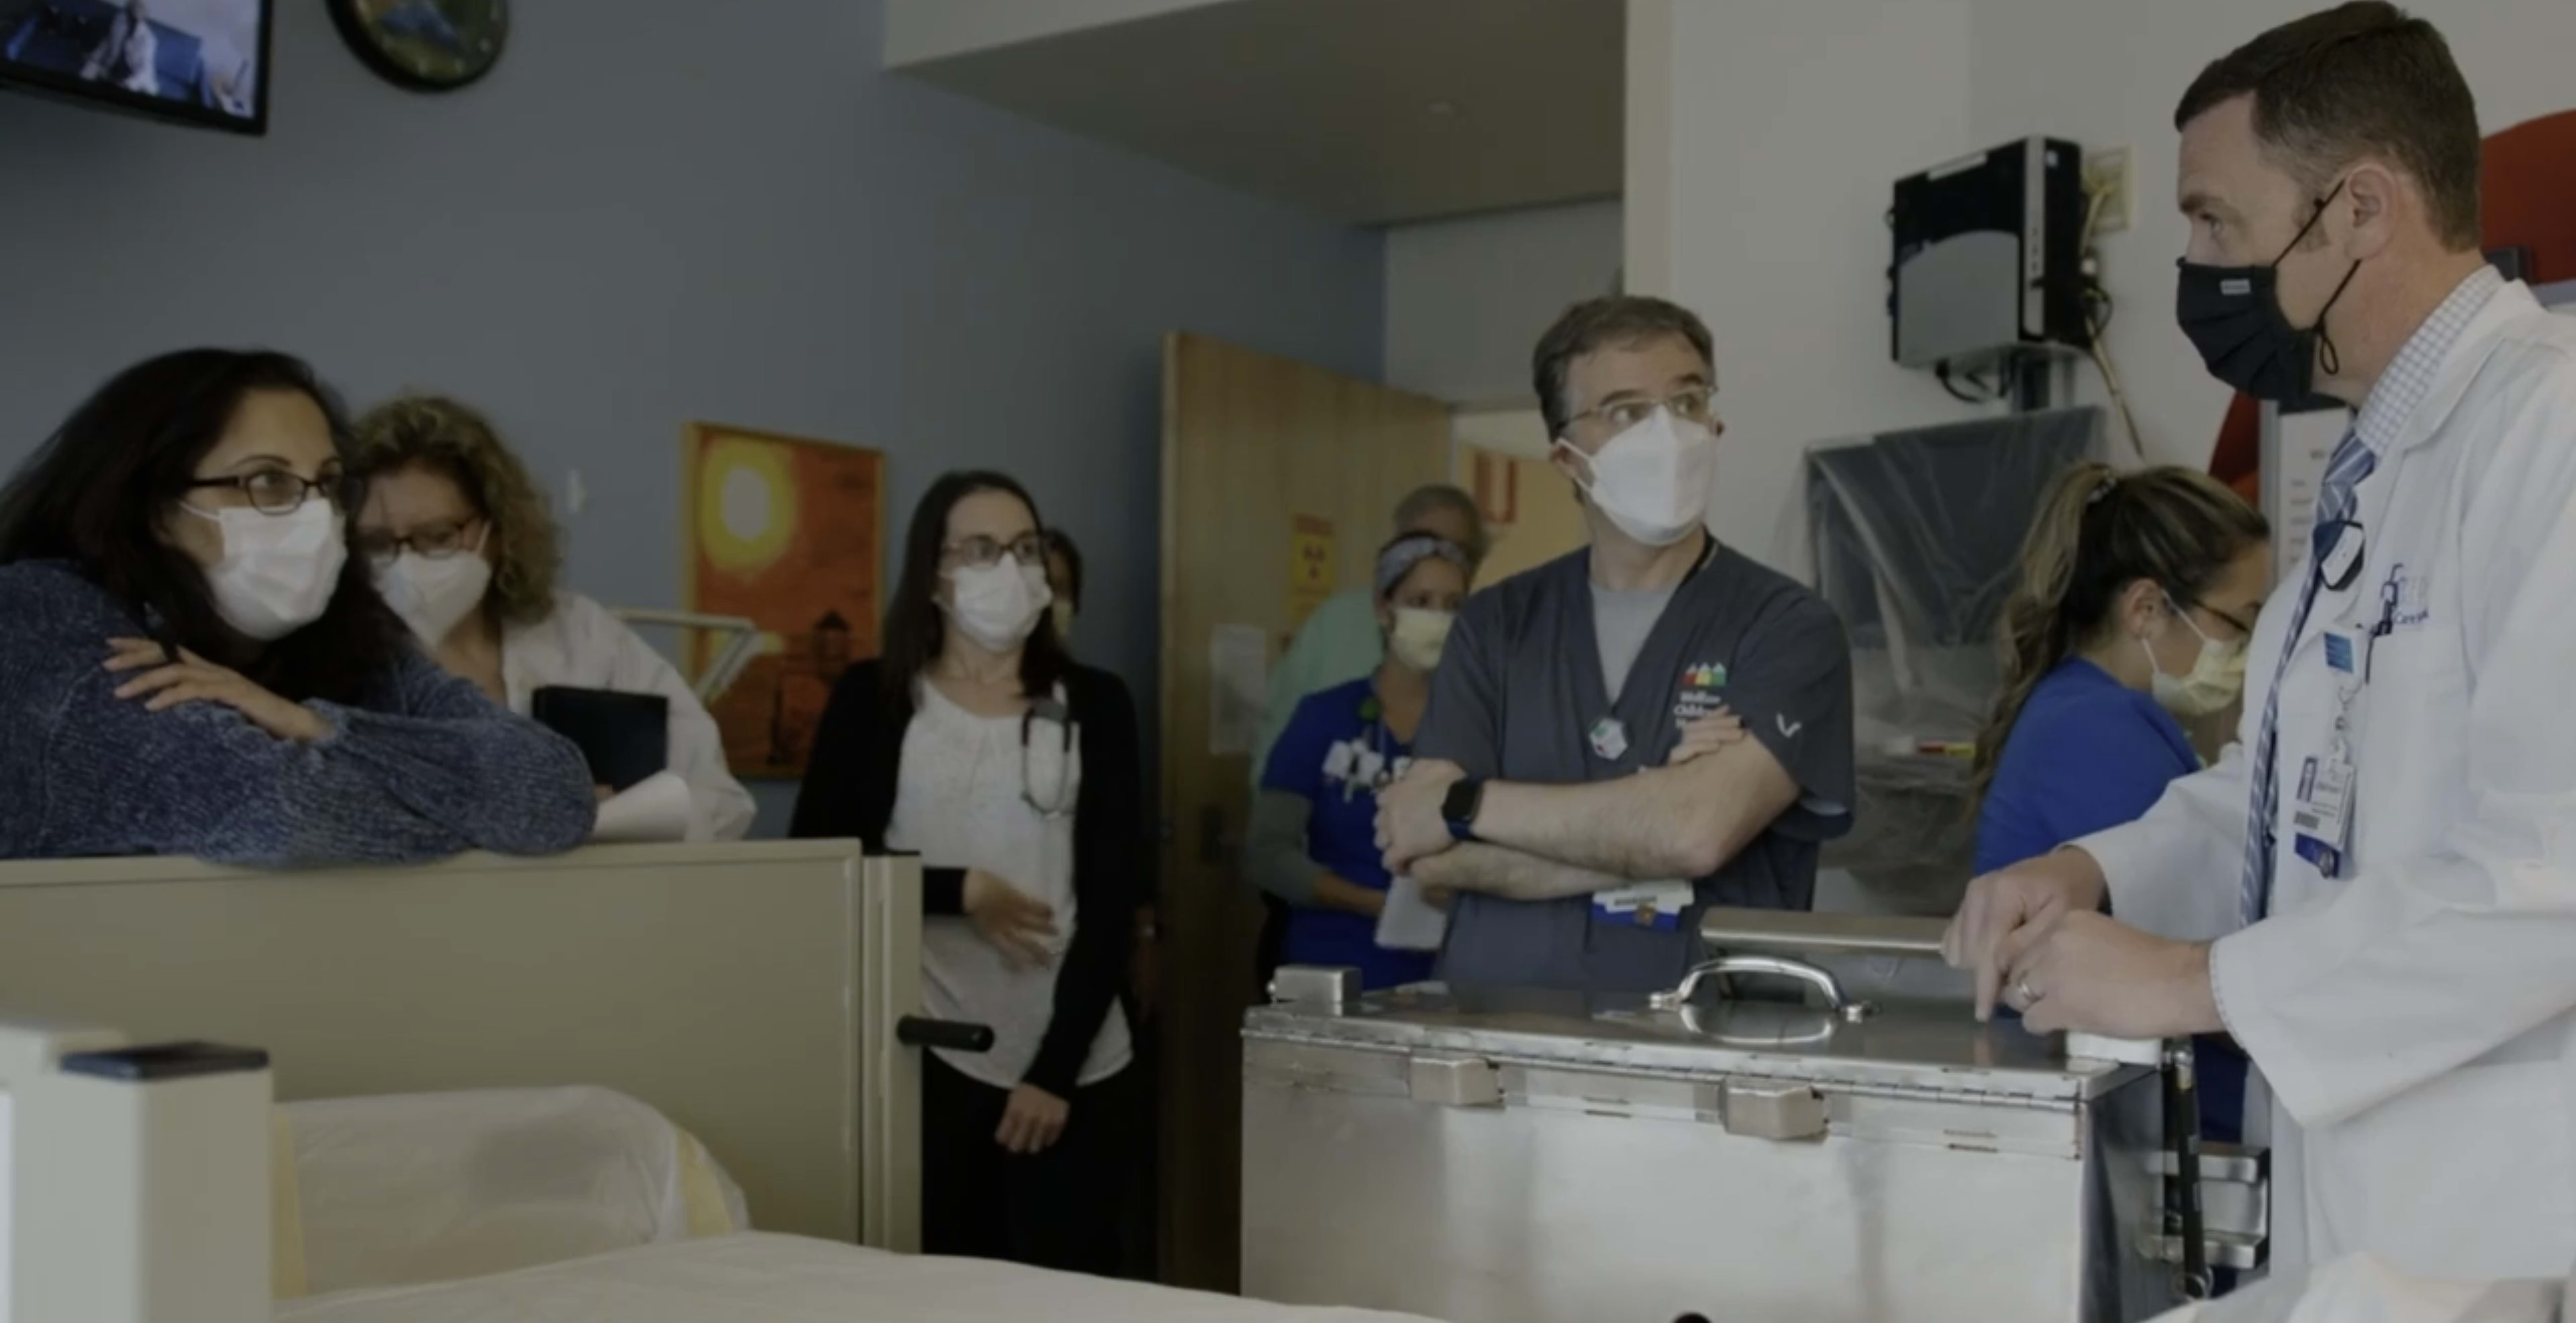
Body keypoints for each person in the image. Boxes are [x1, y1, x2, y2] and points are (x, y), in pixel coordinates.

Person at [1943, 2, 2576, 1282]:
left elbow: (2548, 877)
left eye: (2213, 220)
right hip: (2363, 1218)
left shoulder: (2546, 440)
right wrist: (2092, 872)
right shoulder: (2368, 472)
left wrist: (2195, 983)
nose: (2191, 264)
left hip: (2506, 1220)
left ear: (2357, 211)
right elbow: (2283, 798)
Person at [1375, 296, 1856, 993]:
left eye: (1686, 401)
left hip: (1704, 1041)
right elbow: (1431, 862)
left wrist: (1466, 805)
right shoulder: (1496, 624)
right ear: (1567, 457)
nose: (1668, 432)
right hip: (1499, 1041)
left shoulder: (1787, 626)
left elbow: (1693, 834)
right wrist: (1653, 813)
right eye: (1627, 411)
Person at [0, 349, 595, 867]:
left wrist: (317, 724)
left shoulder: (353, 637)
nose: (315, 515)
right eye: (269, 481)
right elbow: (286, 812)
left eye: (329, 483)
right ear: (158, 507)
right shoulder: (42, 615)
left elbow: (556, 792)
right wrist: (483, 817)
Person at [789, 471, 1140, 1275]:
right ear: (933, 572)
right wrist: (960, 892)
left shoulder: (1095, 702)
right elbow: (820, 869)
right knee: (946, 1285)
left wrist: (1053, 1074)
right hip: (932, 1055)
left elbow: (1115, 894)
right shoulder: (873, 699)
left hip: (1076, 1061)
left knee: (1074, 1288)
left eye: (1024, 550)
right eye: (980, 550)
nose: (1009, 570)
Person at [1971, 462, 2270, 1149]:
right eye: (2240, 622)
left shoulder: (2088, 710)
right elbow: (2192, 955)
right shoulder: (2097, 731)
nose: (2246, 652)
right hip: (2141, 1122)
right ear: (2144, 608)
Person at [348, 395, 755, 843]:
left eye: (439, 536)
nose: (408, 563)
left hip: (600, 905)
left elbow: (721, 803)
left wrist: (610, 817)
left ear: (497, 530)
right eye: (378, 543)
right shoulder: (338, 665)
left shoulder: (583, 635)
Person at [1245, 533, 1475, 989]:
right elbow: (1267, 853)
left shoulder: (1477, 729)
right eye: (1421, 601)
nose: (1438, 618)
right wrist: (1372, 902)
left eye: (1453, 604)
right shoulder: (1324, 716)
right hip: (1333, 968)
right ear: (1383, 608)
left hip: (1446, 973)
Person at [1249, 485, 1487, 789]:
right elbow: (1274, 762)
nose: (1434, 558)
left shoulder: (1486, 656)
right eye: (1420, 542)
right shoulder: (1333, 627)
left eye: (1452, 550)